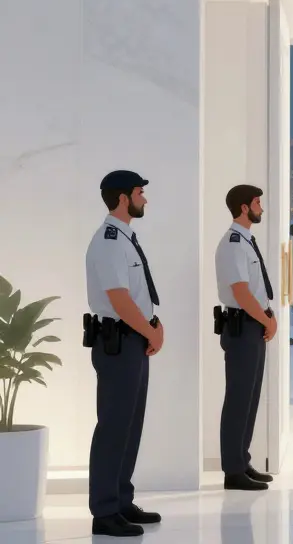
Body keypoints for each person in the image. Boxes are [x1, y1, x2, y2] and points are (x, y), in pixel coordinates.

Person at [85, 170, 164, 537]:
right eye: (139, 192)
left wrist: (153, 325)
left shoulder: (126, 238)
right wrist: (149, 330)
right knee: (114, 426)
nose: (144, 199)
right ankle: (104, 512)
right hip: (118, 342)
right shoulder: (110, 240)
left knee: (130, 425)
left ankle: (120, 499)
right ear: (122, 198)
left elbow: (136, 294)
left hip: (133, 340)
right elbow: (119, 299)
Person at [213, 184, 279, 493]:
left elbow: (254, 290)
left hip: (253, 324)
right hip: (242, 327)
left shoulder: (246, 241)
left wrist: (268, 315)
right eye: (257, 203)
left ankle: (242, 460)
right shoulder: (233, 243)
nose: (261, 208)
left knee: (250, 398)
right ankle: (233, 471)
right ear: (243, 207)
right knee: (238, 399)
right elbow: (240, 292)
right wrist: (265, 318)